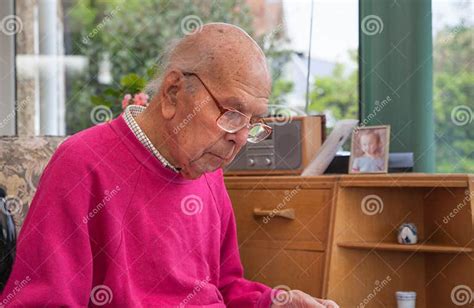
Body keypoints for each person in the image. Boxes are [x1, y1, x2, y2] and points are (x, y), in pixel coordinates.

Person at [0, 23, 338, 308]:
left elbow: (224, 287)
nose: (240, 137)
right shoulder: (81, 164)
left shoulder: (208, 172)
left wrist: (280, 301)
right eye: (232, 113)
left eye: (253, 121)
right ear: (174, 92)